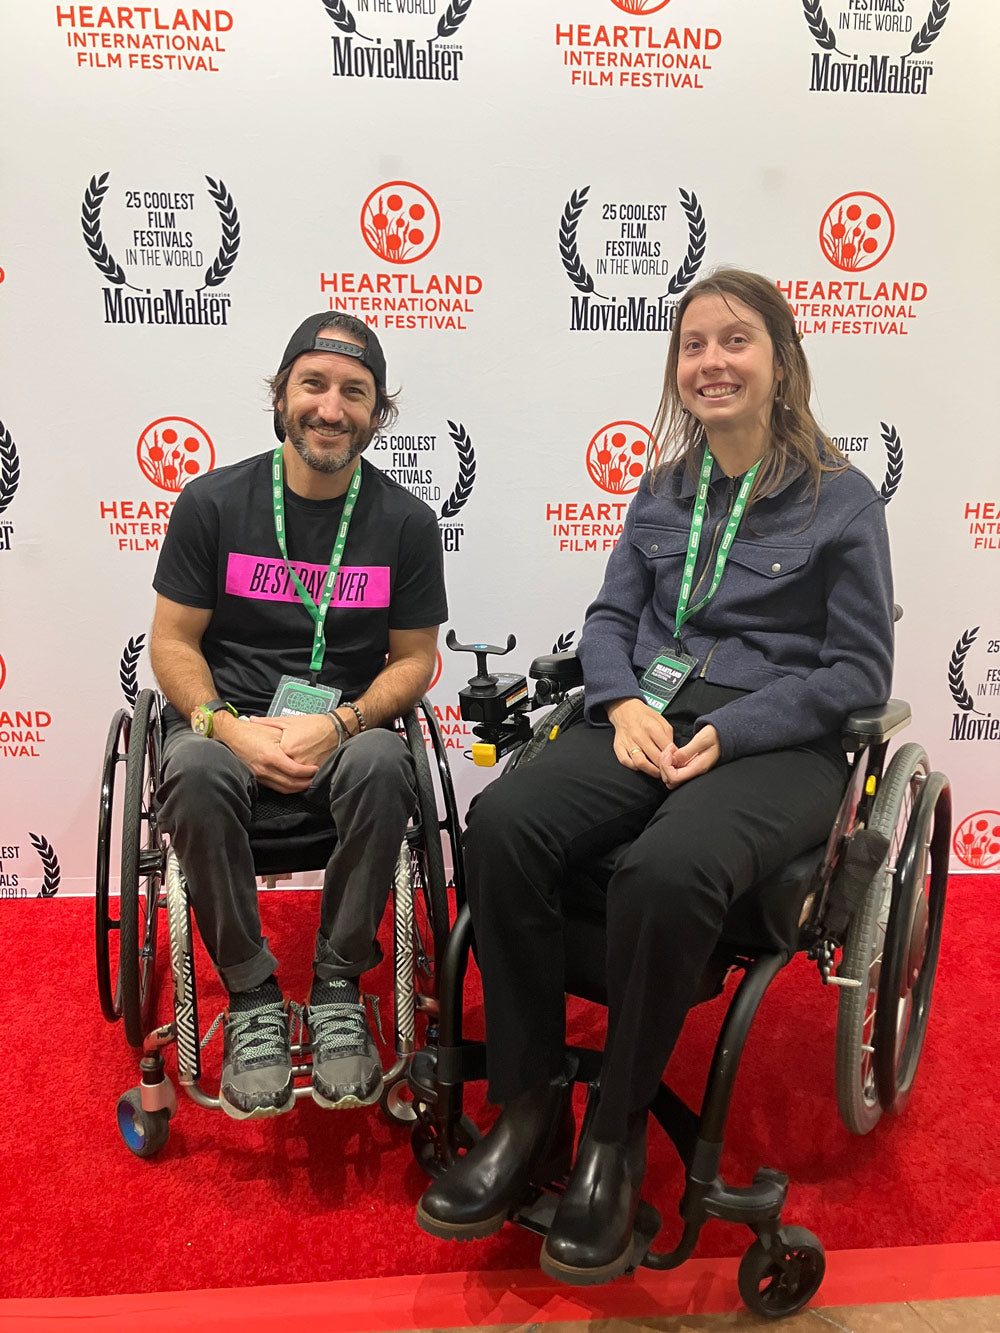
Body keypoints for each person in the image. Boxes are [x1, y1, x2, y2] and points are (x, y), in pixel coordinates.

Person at [416, 270, 894, 1284]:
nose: (711, 361)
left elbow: (858, 673)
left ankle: (613, 1135)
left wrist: (736, 728)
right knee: (503, 825)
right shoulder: (663, 489)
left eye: (735, 341)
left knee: (667, 871)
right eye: (692, 345)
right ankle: (530, 1108)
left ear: (781, 361)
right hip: (645, 716)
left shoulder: (842, 499)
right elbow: (608, 619)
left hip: (775, 741)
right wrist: (622, 698)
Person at [150, 312, 447, 1121]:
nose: (331, 407)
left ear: (377, 412)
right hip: (227, 728)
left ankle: (339, 983)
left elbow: (415, 659)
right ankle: (252, 996)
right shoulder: (212, 503)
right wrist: (226, 725)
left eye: (355, 391)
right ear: (282, 395)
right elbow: (172, 642)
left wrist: (344, 723)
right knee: (194, 768)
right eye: (313, 384)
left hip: (341, 733)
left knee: (387, 761)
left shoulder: (406, 523)